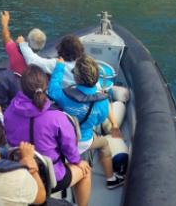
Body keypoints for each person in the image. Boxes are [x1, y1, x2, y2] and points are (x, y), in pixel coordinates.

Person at [4, 65, 91, 206]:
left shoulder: (9, 112)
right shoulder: (58, 117)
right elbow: (69, 147)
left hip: (21, 170)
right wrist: (77, 161)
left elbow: (9, 139)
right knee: (85, 170)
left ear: (22, 86)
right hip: (53, 177)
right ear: (46, 86)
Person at [48, 55, 124, 189]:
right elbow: (99, 121)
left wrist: (59, 67)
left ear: (76, 78)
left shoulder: (63, 95)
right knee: (104, 144)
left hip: (61, 141)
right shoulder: (102, 102)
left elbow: (53, 87)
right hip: (83, 141)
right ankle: (111, 179)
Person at [18, 34, 84, 87]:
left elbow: (33, 61)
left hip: (63, 96)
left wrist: (22, 43)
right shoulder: (85, 64)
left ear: (62, 49)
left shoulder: (56, 64)